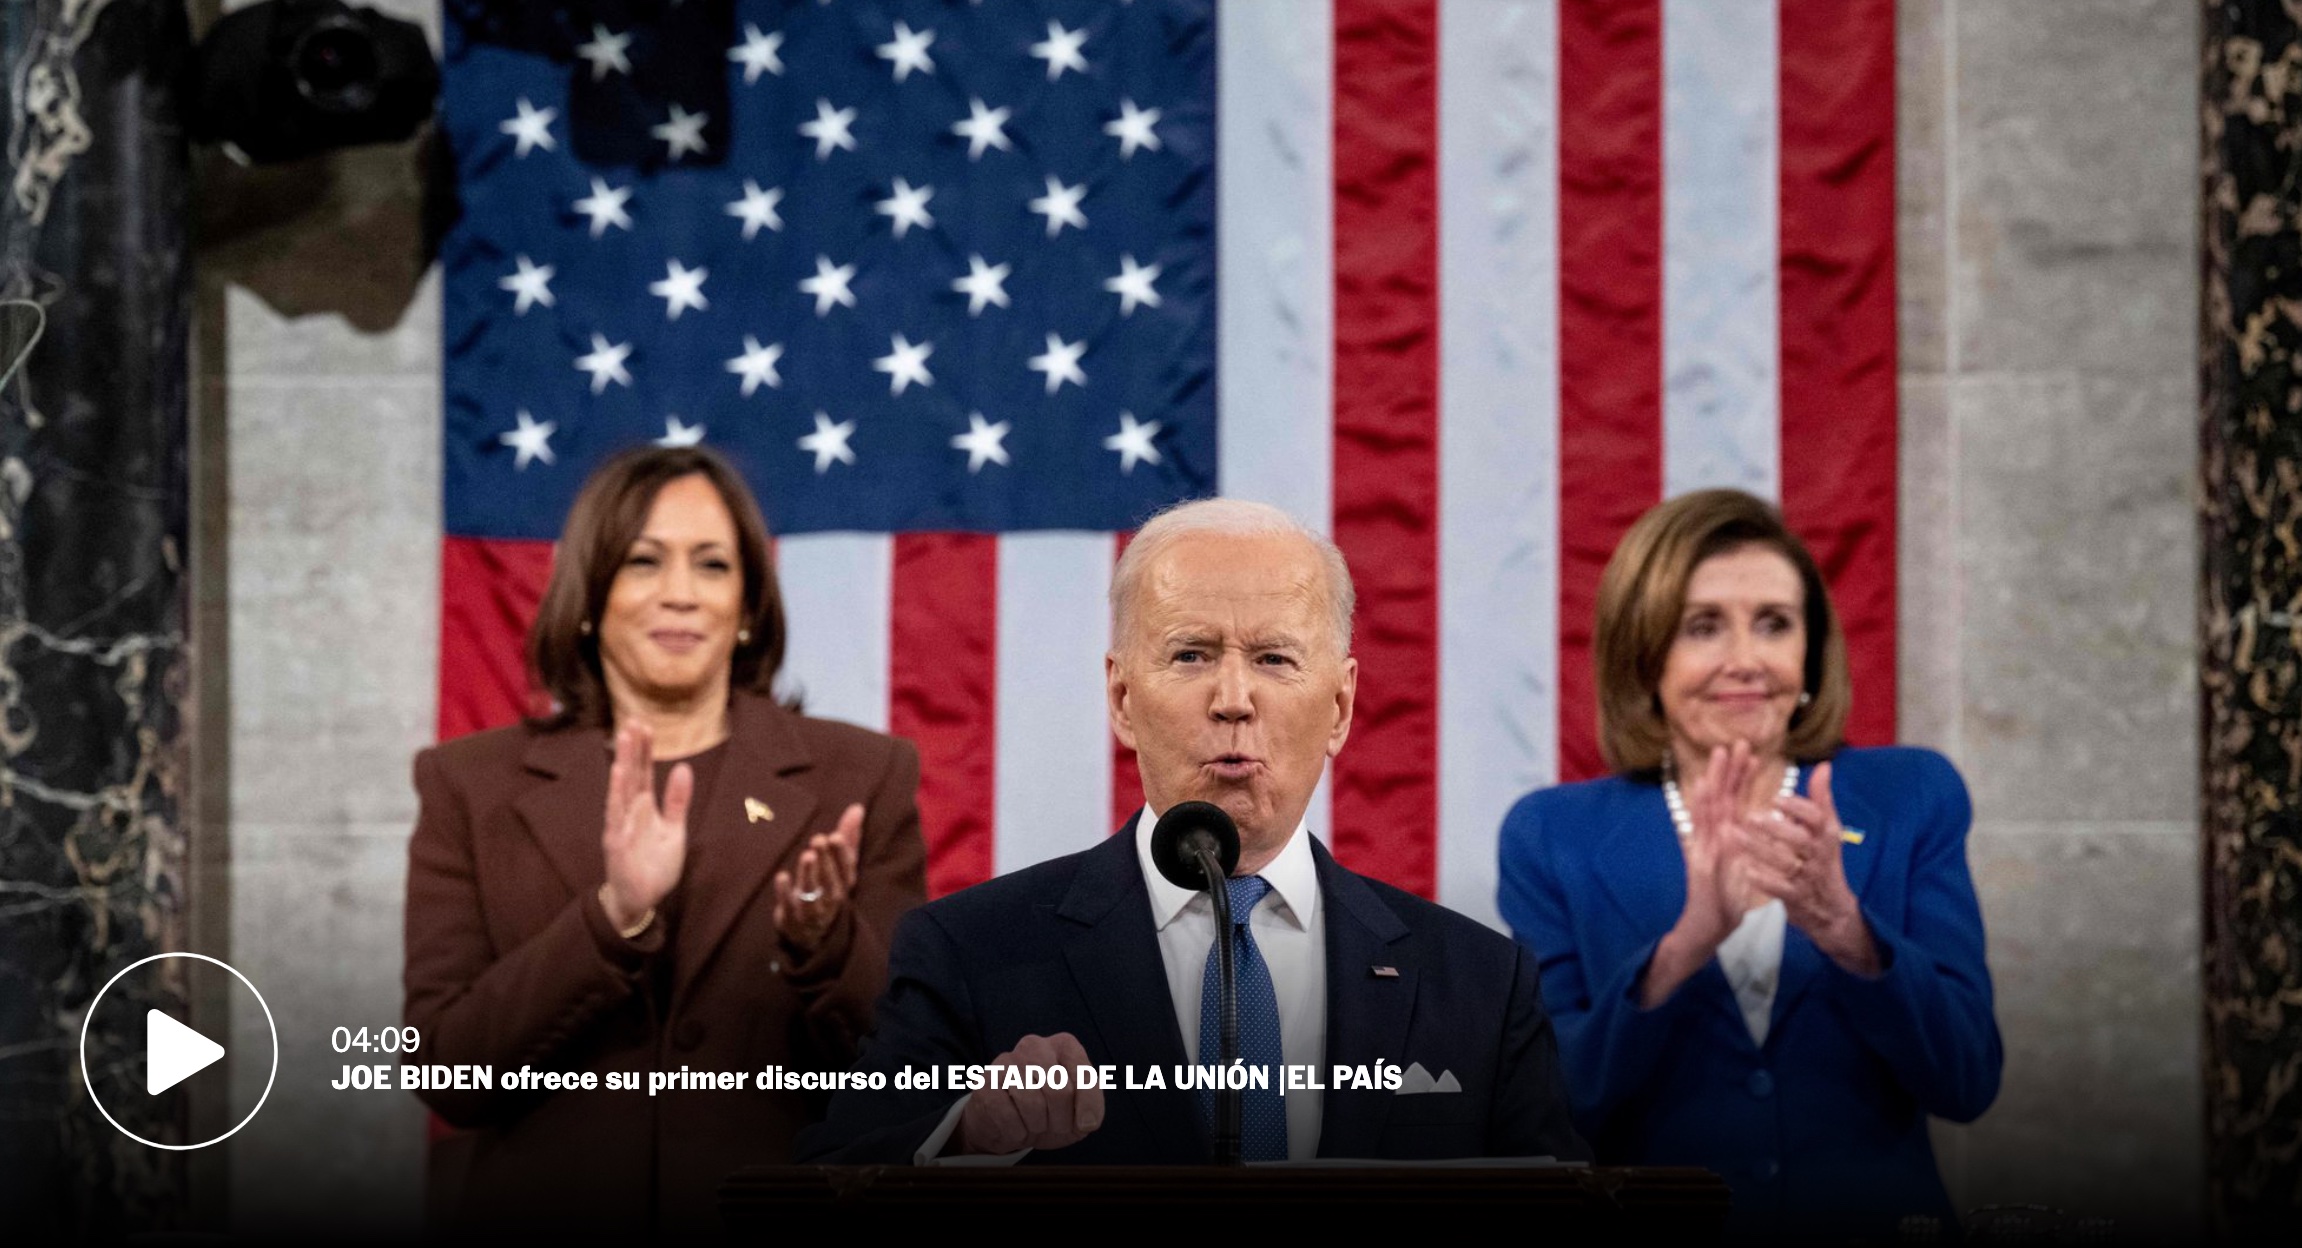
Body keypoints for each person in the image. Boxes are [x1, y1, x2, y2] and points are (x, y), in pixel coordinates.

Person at [798, 498, 1587, 1165]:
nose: (1233, 698)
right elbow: (831, 1186)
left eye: (1275, 659)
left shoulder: (1481, 986)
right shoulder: (972, 954)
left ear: (1340, 708)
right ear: (1121, 698)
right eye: (1190, 654)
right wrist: (966, 1132)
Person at [401, 446, 926, 1233]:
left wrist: (826, 948)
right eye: (644, 562)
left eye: (712, 566)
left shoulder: (862, 776)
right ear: (589, 594)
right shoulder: (469, 785)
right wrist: (611, 918)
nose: (680, 594)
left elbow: (907, 1074)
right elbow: (447, 1072)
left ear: (748, 604)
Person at [1496, 488, 2000, 1237]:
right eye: (1703, 627)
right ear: (1646, 655)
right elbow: (1548, 1111)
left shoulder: (1910, 797)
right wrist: (1683, 949)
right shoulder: (1552, 836)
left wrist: (1849, 936)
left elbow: (1966, 1080)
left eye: (1774, 624)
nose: (1745, 660)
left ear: (1809, 653)